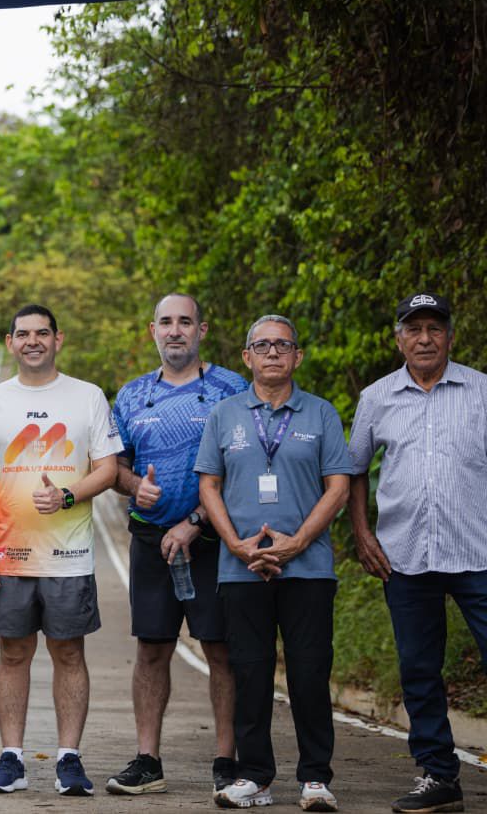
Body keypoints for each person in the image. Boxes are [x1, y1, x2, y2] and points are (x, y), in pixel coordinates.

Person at [195, 314, 350, 812]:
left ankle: (315, 779)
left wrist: (297, 542)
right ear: (247, 357)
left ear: (297, 356)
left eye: (283, 345)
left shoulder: (321, 413)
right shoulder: (224, 414)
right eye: (262, 346)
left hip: (309, 567)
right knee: (250, 675)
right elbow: (209, 486)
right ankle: (255, 777)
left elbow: (338, 487)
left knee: (309, 673)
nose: (273, 353)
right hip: (241, 568)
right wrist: (238, 546)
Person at [0, 303, 122, 797]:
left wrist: (68, 496)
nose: (32, 341)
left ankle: (68, 759)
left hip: (68, 555)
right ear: (10, 343)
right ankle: (11, 759)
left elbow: (108, 468)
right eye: (23, 334)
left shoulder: (87, 396)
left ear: (58, 339)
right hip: (8, 555)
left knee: (69, 653)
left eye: (42, 333)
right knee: (12, 654)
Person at [347, 292, 487, 814]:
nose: (425, 338)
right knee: (419, 671)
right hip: (404, 557)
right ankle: (439, 776)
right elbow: (354, 470)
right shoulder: (377, 397)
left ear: (450, 335)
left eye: (434, 328)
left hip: (479, 553)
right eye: (414, 329)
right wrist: (363, 534)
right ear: (399, 338)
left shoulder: (481, 391)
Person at [108, 293, 245, 797]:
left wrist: (195, 522)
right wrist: (133, 486)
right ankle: (148, 761)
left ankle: (227, 761)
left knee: (220, 650)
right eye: (165, 322)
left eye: (185, 322)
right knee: (151, 649)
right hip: (150, 539)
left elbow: (243, 468)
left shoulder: (232, 388)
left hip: (212, 538)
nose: (175, 330)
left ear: (201, 330)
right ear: (153, 331)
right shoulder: (131, 395)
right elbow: (114, 467)